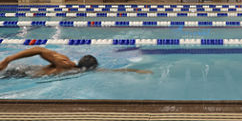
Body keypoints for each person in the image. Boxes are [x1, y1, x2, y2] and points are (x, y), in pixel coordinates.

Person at [0, 47, 152, 78]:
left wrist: (136, 71)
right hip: (19, 73)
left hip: (26, 72)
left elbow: (110, 71)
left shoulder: (78, 69)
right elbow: (39, 49)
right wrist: (8, 59)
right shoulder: (64, 63)